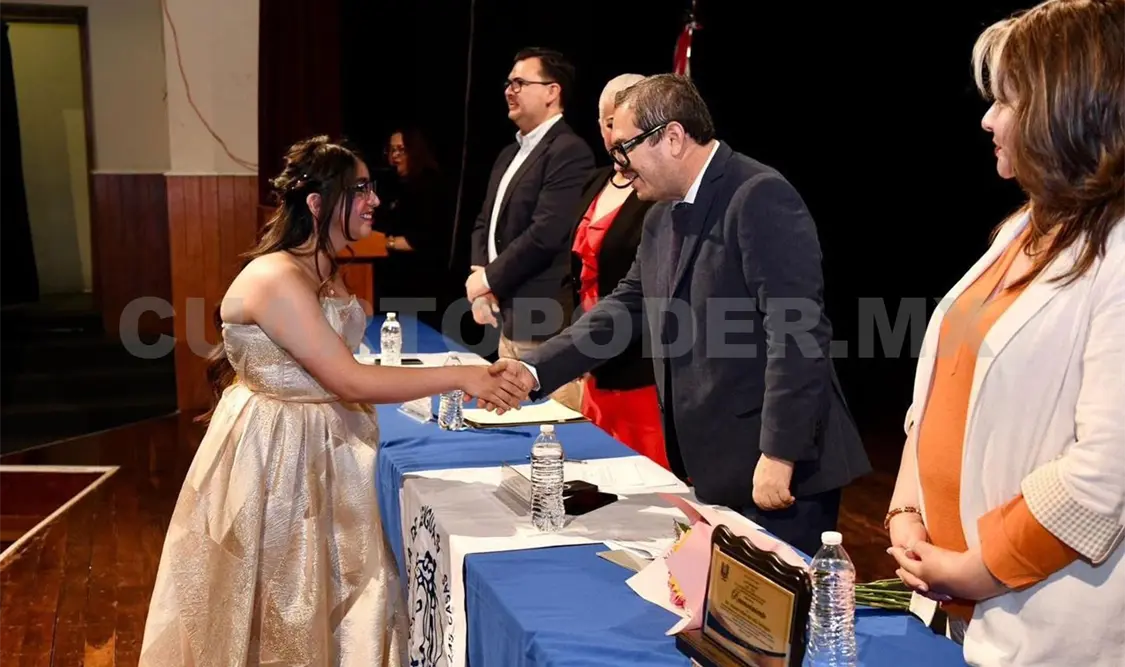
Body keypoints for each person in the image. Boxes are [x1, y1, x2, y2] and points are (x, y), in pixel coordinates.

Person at [139, 136, 524, 665]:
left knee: (337, 596)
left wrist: (466, 372)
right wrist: (461, 376)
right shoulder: (276, 277)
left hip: (326, 442)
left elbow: (349, 375)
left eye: (371, 187)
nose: (374, 200)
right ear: (317, 204)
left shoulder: (324, 271)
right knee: (285, 600)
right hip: (277, 453)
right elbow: (350, 381)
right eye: (359, 189)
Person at [489, 74, 871, 557]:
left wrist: (780, 453)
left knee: (775, 626)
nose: (619, 166)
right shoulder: (660, 215)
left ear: (671, 137)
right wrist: (532, 369)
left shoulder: (758, 195)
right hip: (714, 461)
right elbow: (621, 311)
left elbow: (796, 333)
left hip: (776, 469)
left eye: (624, 148)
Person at [885, 2, 1125, 664]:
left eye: (1007, 100)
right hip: (952, 609)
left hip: (1046, 623)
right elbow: (938, 392)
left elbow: (1103, 473)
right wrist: (905, 513)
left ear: (1066, 109)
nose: (987, 119)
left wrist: (974, 569)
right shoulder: (1024, 224)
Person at [467, 47, 594, 408]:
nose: (510, 90)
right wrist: (482, 282)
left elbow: (546, 235)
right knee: (514, 428)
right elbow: (484, 222)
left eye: (520, 82)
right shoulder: (510, 153)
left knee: (552, 432)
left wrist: (488, 279)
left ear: (553, 92)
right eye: (508, 83)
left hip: (544, 324)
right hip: (508, 318)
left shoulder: (569, 151)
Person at [565, 73, 667, 469]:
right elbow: (573, 270)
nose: (613, 135)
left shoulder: (658, 193)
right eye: (606, 123)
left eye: (621, 125)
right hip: (592, 358)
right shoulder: (594, 181)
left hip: (638, 367)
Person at [375, 127, 454, 331]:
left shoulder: (430, 185)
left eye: (401, 150)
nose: (395, 156)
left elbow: (425, 238)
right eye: (391, 150)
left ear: (415, 151)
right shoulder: (390, 185)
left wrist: (385, 243)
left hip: (420, 284)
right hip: (391, 281)